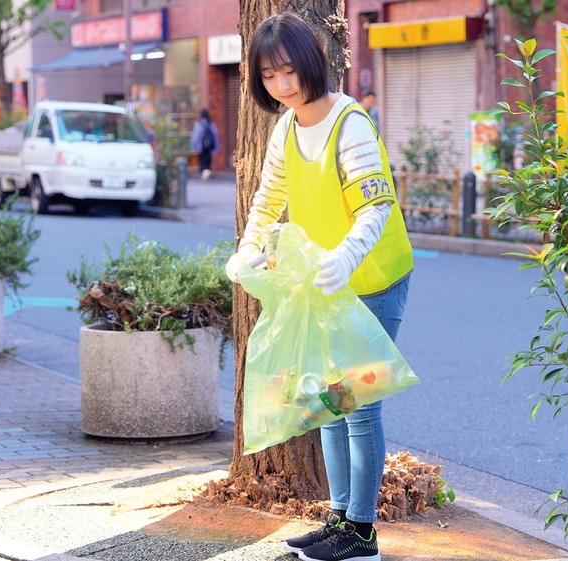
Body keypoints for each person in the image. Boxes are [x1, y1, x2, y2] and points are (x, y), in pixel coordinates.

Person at [225, 12, 413, 561]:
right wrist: (250, 248)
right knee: (326, 402)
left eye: (289, 71)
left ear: (312, 62)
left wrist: (348, 255)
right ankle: (338, 520)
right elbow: (268, 197)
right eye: (269, 77)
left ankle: (362, 532)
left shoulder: (349, 122)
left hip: (374, 279)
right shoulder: (286, 126)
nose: (282, 86)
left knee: (358, 405)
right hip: (325, 284)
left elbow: (374, 204)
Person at [190, 108, 219, 181]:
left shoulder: (198, 124)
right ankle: (207, 172)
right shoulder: (211, 124)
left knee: (202, 161)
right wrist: (215, 147)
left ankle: (205, 173)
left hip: (201, 147)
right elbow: (215, 136)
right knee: (208, 160)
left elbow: (195, 137)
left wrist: (193, 147)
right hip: (209, 147)